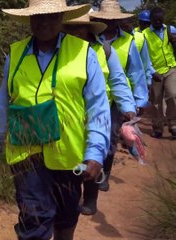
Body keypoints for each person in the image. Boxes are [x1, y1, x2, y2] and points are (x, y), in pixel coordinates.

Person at [0, 1, 111, 239]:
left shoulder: (84, 54)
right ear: (29, 19)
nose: (43, 23)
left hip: (70, 157)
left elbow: (98, 108)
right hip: (26, 156)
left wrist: (95, 153)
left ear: (61, 17)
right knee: (35, 221)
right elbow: (3, 107)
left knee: (66, 217)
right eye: (38, 17)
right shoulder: (15, 54)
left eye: (51, 17)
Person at [63, 13, 136, 216]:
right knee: (73, 154)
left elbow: (118, 80)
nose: (74, 32)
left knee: (96, 152)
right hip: (70, 112)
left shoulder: (103, 50)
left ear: (88, 29)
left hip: (101, 111)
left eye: (79, 28)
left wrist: (128, 107)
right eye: (70, 28)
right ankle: (73, 189)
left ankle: (91, 197)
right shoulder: (61, 50)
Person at [89, 0, 149, 192]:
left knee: (111, 138)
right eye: (105, 19)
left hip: (115, 99)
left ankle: (102, 175)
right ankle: (88, 175)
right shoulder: (90, 40)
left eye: (113, 20)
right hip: (92, 99)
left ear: (118, 21)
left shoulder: (128, 41)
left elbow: (136, 72)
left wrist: (136, 104)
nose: (109, 23)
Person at [143, 7, 176, 139]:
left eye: (160, 19)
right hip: (155, 72)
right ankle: (157, 128)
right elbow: (144, 56)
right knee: (156, 101)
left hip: (170, 68)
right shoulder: (145, 35)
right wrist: (152, 71)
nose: (158, 22)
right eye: (155, 20)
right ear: (150, 20)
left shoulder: (170, 30)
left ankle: (173, 124)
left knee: (173, 95)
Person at [120, 16, 157, 87]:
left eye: (127, 25)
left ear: (131, 24)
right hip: (123, 81)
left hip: (138, 80)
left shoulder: (140, 37)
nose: (125, 28)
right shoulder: (117, 40)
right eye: (123, 27)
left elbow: (146, 61)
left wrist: (148, 80)